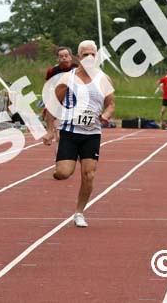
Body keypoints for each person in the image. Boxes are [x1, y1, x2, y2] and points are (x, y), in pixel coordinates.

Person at [42, 40, 115, 228]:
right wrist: (50, 131)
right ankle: (59, 171)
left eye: (93, 54)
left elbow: (111, 104)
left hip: (92, 134)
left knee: (89, 174)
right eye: (85, 55)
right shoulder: (68, 78)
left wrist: (106, 116)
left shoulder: (104, 79)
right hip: (70, 132)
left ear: (96, 56)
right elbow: (52, 104)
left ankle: (79, 212)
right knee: (64, 173)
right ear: (79, 57)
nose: (89, 58)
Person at [41, 47, 76, 134]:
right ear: (58, 58)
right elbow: (47, 86)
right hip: (58, 102)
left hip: (73, 102)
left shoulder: (77, 69)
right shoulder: (52, 71)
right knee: (59, 130)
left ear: (70, 57)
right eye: (61, 56)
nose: (64, 58)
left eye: (66, 56)